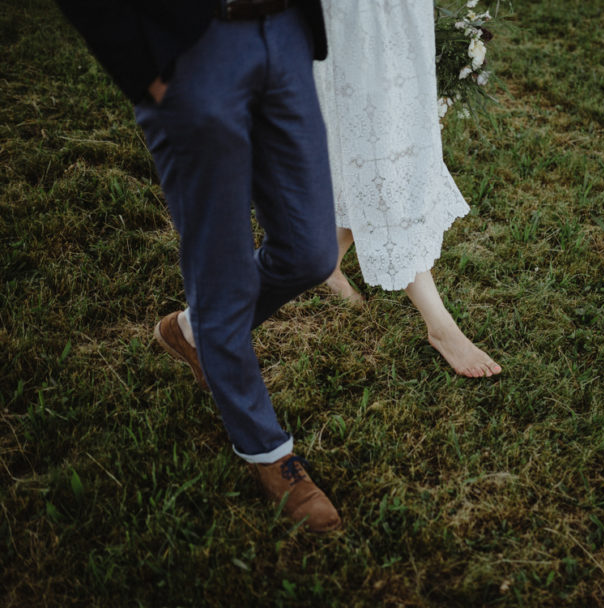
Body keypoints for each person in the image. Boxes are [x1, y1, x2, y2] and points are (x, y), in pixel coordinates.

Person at [55, 0, 342, 532]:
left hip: (284, 30)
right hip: (192, 45)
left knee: (312, 250)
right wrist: (143, 69)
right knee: (223, 274)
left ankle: (195, 329)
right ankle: (269, 452)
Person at [314, 0, 502, 379]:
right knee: (379, 151)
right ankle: (441, 326)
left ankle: (326, 260)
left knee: (394, 142)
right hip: (355, 18)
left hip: (400, 15)